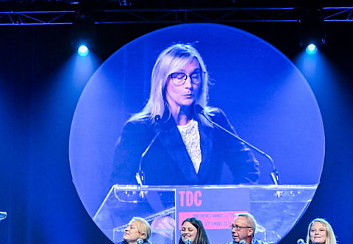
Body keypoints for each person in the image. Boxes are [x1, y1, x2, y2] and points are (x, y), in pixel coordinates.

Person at [110, 43, 260, 187]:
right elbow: (122, 184)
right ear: (163, 81)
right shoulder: (140, 129)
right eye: (180, 76)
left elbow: (247, 168)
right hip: (163, 213)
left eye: (195, 76)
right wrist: (154, 215)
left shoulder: (215, 121)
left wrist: (235, 205)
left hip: (211, 213)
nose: (189, 85)